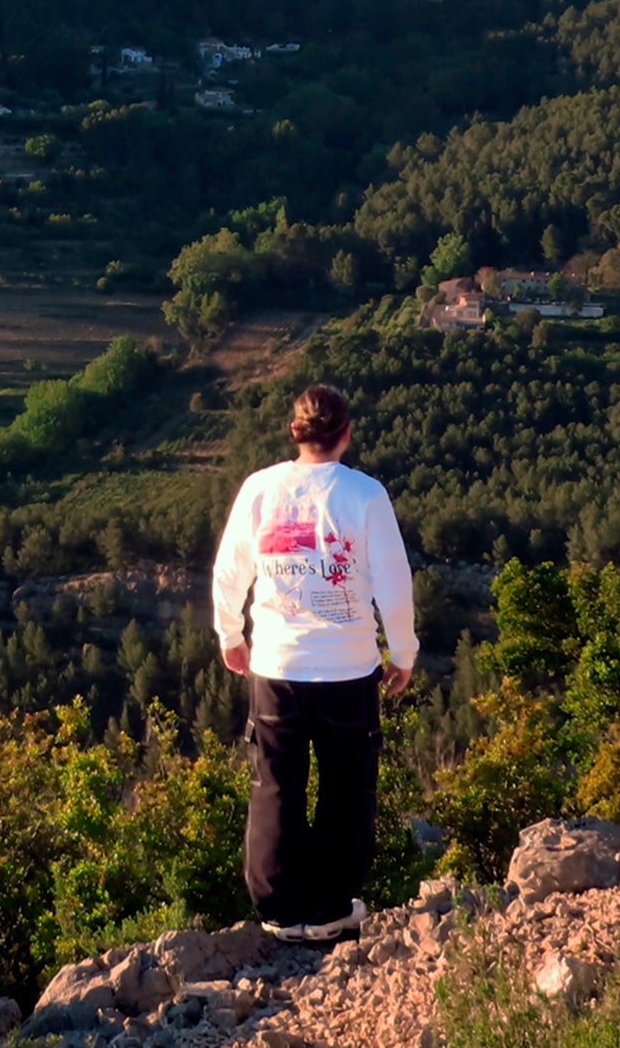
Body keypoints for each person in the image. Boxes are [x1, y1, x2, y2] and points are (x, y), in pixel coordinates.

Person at [212, 382, 418, 942]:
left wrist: (230, 632)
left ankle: (278, 911)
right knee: (347, 789)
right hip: (349, 669)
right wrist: (402, 652)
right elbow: (394, 585)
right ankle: (330, 909)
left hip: (277, 666)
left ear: (295, 433)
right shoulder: (366, 495)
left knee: (276, 785)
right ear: (346, 434)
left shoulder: (261, 489)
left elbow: (231, 570)